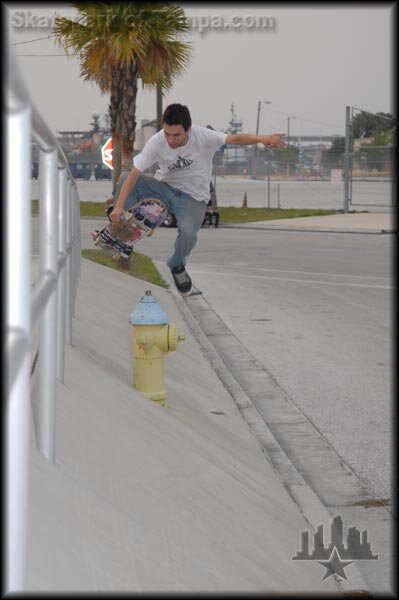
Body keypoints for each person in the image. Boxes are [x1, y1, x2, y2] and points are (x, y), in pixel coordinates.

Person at [110, 103, 285, 295]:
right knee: (127, 177)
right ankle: (124, 237)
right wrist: (118, 208)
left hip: (193, 199)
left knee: (187, 233)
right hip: (165, 190)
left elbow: (235, 138)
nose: (170, 140)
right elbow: (135, 172)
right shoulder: (157, 141)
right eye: (167, 133)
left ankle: (177, 266)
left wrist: (262, 138)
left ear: (188, 129)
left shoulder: (203, 136)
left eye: (176, 135)